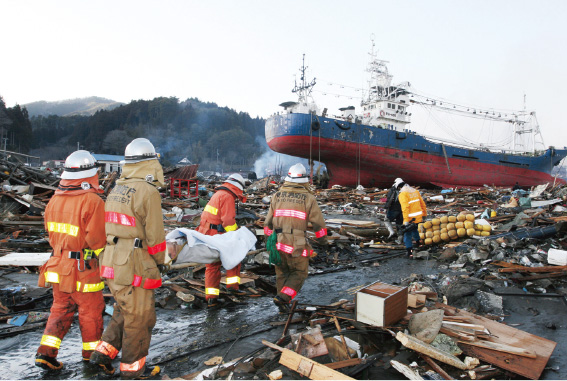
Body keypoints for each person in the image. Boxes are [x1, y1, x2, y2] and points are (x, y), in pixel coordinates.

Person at [90, 138, 165, 379]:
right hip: (134, 262)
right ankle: (134, 370)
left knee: (124, 309)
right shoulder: (148, 191)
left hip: (112, 260)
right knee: (140, 316)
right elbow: (155, 237)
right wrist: (162, 261)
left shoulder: (117, 188)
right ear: (150, 163)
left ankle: (103, 353)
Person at [35, 151, 106, 371]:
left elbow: (50, 233)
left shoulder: (54, 199)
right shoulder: (92, 200)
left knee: (60, 309)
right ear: (90, 174)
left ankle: (46, 354)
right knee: (91, 311)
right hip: (82, 269)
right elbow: (97, 241)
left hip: (58, 265)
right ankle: (91, 357)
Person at [264, 163, 328, 312]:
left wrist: (269, 240)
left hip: (278, 242)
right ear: (304, 180)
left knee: (282, 273)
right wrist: (323, 242)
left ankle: (281, 302)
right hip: (296, 243)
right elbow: (318, 224)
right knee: (299, 272)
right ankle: (283, 298)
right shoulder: (308, 198)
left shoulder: (277, 195)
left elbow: (267, 223)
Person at [196, 173, 248, 308]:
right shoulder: (227, 196)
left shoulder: (220, 193)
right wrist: (236, 235)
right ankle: (232, 287)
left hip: (208, 232)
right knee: (233, 258)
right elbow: (228, 221)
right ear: (238, 187)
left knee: (213, 265)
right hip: (216, 233)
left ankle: (212, 298)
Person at [398, 180, 427, 259]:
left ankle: (409, 252)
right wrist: (424, 214)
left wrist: (406, 221)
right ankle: (419, 244)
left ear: (399, 187)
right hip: (418, 217)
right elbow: (422, 204)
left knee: (407, 235)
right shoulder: (415, 191)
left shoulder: (403, 194)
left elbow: (405, 208)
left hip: (410, 218)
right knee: (415, 230)